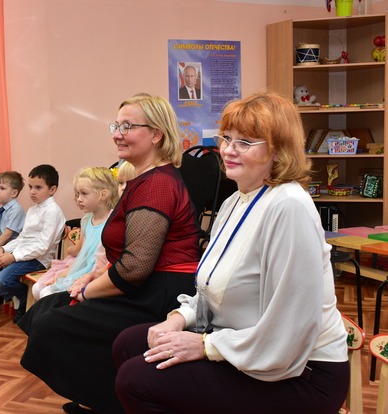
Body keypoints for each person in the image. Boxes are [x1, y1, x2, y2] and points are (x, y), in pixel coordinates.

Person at [113, 91, 350, 414]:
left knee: (136, 379)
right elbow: (212, 290)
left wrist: (205, 345)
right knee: (129, 344)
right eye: (227, 138)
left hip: (300, 372)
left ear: (278, 150)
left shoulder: (289, 206)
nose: (227, 150)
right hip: (243, 344)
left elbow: (288, 330)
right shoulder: (235, 201)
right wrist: (180, 318)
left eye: (245, 142)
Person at [18, 94, 201, 414]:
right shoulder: (144, 179)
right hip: (147, 284)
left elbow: (134, 267)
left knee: (52, 324)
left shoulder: (156, 184)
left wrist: (86, 291)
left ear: (156, 134)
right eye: (116, 126)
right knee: (44, 309)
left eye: (127, 126)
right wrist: (90, 278)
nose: (117, 133)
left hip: (161, 292)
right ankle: (108, 398)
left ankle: (115, 401)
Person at [0, 164, 66, 323]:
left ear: (52, 189)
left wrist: (13, 257)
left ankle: (24, 297)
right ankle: (18, 295)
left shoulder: (53, 212)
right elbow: (22, 238)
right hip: (22, 254)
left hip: (38, 259)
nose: (32, 191)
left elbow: (43, 247)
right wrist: (3, 249)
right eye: (31, 187)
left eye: (38, 187)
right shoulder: (33, 210)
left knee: (1, 280)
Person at [35, 166, 118, 300]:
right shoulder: (86, 220)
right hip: (81, 267)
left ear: (103, 195)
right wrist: (64, 273)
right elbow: (82, 253)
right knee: (38, 289)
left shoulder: (113, 220)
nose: (79, 199)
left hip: (97, 273)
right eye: (77, 194)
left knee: (46, 294)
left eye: (84, 194)